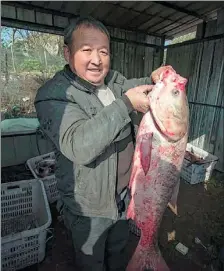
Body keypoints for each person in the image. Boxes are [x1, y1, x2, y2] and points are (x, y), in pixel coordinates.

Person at [34, 16, 173, 271]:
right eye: (86, 50)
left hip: (122, 198)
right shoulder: (54, 95)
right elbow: (78, 144)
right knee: (92, 262)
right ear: (68, 53)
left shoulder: (114, 82)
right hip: (89, 207)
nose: (96, 60)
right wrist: (126, 105)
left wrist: (156, 80)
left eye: (103, 52)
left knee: (118, 254)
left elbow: (135, 88)